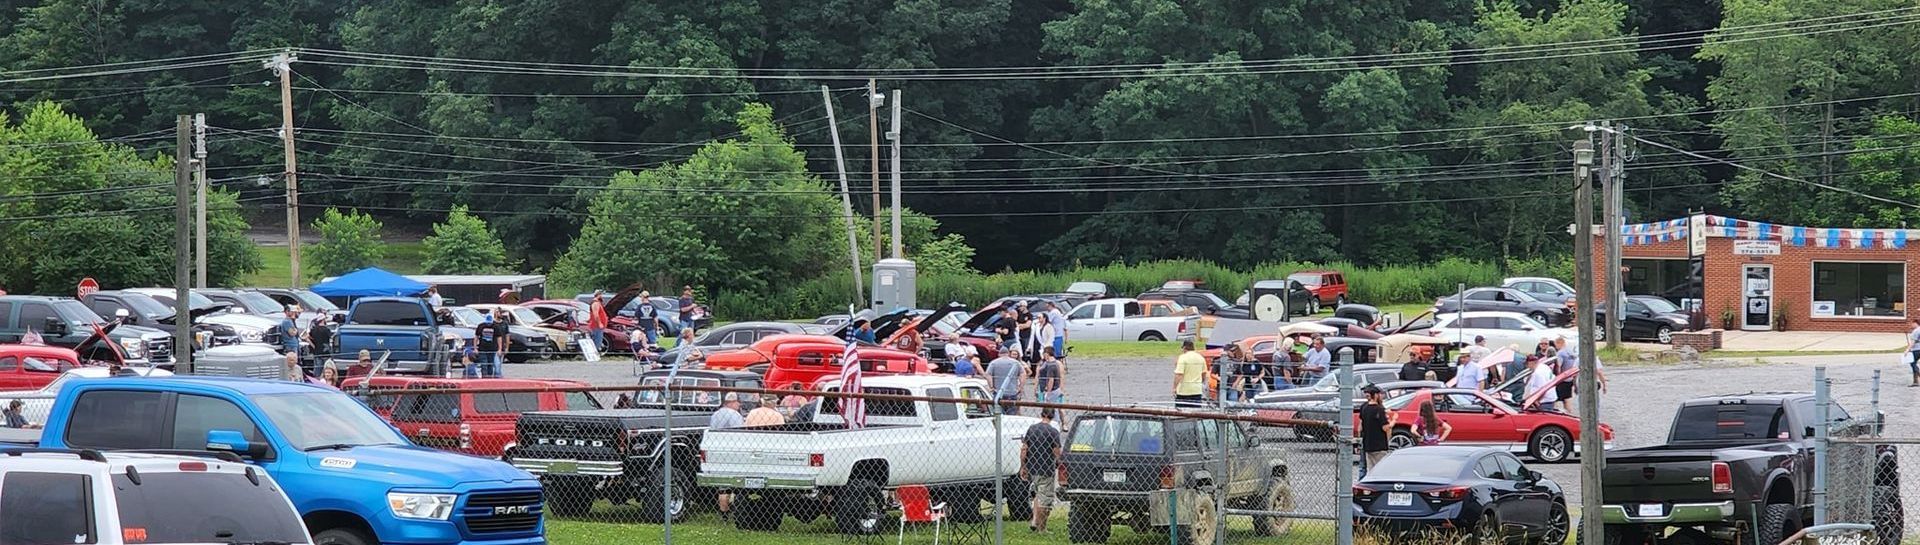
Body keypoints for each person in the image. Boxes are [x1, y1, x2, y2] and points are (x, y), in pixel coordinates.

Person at [1020, 408, 1063, 533]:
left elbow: (1024, 449)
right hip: (1046, 470)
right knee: (1045, 500)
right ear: (1053, 416)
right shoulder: (1053, 432)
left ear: (1041, 414)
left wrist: (1023, 466)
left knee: (1037, 495)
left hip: (1032, 469)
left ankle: (1034, 521)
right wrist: (1060, 462)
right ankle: (1042, 528)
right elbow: (1056, 451)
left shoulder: (1032, 429)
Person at [1358, 384, 1396, 474]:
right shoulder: (1379, 410)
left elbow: (1361, 426)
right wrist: (1393, 422)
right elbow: (1385, 428)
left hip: (1368, 444)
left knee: (1371, 469)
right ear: (1375, 395)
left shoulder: (1364, 408)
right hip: (1379, 445)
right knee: (1381, 469)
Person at [986, 348, 1027, 415]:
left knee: (998, 413)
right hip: (1012, 392)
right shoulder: (1016, 363)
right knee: (1011, 414)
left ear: (999, 354)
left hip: (998, 392)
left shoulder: (994, 363)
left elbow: (988, 374)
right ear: (1008, 354)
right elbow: (1023, 374)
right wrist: (1020, 386)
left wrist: (991, 386)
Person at [1173, 340, 1207, 407]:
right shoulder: (1201, 358)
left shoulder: (1183, 358)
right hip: (1197, 390)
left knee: (1181, 413)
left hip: (1183, 391)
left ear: (1184, 348)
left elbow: (1179, 375)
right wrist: (1201, 382)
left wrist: (1174, 388)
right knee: (1196, 413)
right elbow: (1204, 373)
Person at [474, 313, 499, 378]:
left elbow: (499, 338)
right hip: (482, 348)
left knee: (490, 364)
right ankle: (484, 378)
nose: (489, 324)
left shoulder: (495, 326)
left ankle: (489, 378)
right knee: (484, 364)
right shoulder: (480, 326)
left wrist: (499, 349)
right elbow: (476, 337)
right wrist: (475, 348)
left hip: (492, 349)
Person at [489, 310, 510, 377]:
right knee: (496, 364)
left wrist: (507, 347)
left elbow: (507, 335)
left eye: (501, 313)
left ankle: (497, 376)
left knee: (499, 364)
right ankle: (498, 376)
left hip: (502, 346)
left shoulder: (505, 323)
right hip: (493, 346)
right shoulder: (492, 323)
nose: (501, 314)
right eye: (499, 312)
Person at [1909, 318, 1920, 387]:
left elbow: (1913, 342)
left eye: (1912, 323)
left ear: (1915, 323)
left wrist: (1907, 349)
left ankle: (1917, 377)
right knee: (1914, 363)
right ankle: (1915, 381)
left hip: (1916, 349)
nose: (1911, 325)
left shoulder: (1916, 331)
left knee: (1912, 363)